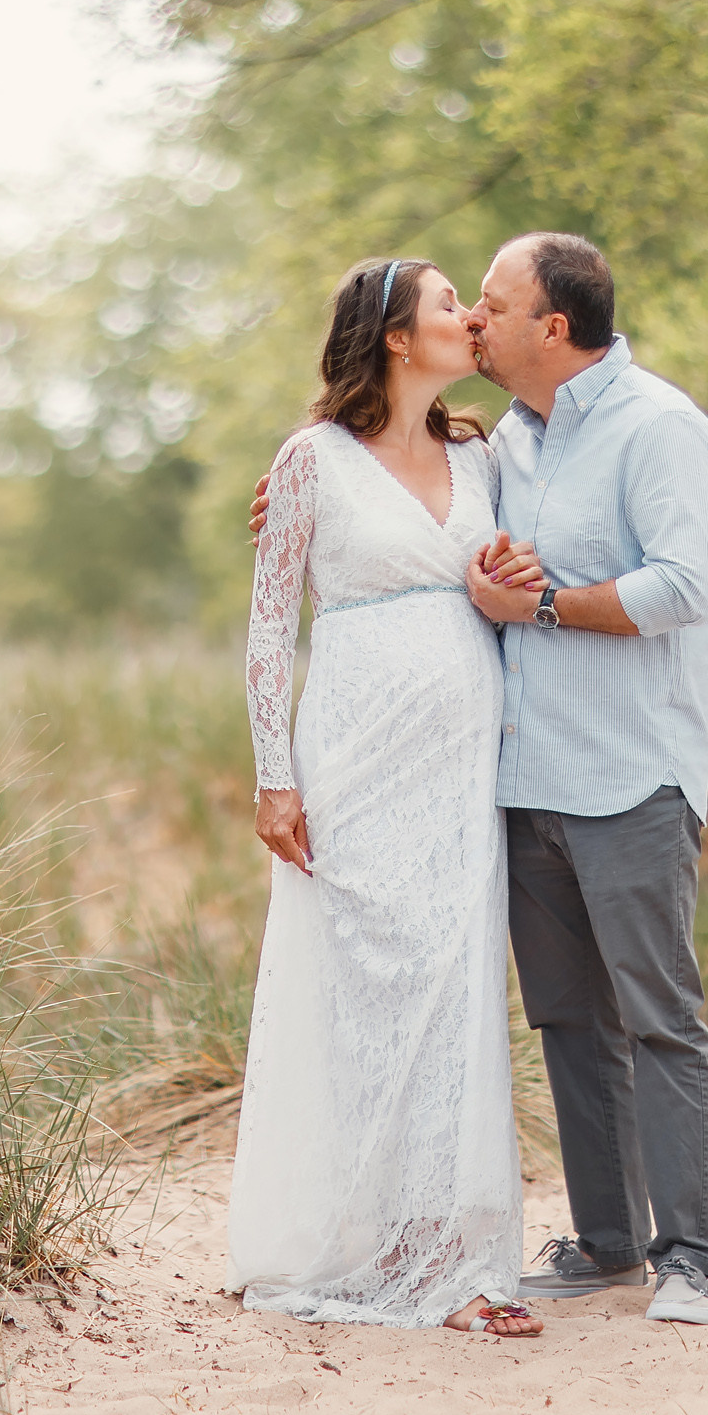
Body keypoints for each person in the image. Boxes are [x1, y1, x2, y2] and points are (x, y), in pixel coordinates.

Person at [251, 232, 708, 1328]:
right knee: (563, 1018)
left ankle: (688, 1256)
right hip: (513, 777)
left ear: (548, 327)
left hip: (628, 767)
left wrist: (546, 602)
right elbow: (385, 493)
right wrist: (291, 496)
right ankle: (606, 1242)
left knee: (656, 1012)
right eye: (460, 305)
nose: (475, 319)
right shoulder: (506, 441)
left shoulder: (660, 427)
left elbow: (683, 586)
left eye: (492, 304)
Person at [233, 255, 547, 1338]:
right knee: (370, 984)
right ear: (397, 340)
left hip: (463, 764)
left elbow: (510, 574)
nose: (468, 316)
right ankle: (386, 1248)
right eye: (448, 303)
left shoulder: (484, 455)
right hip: (355, 752)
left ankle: (454, 1261)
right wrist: (276, 774)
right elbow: (272, 623)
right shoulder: (310, 460)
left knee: (455, 987)